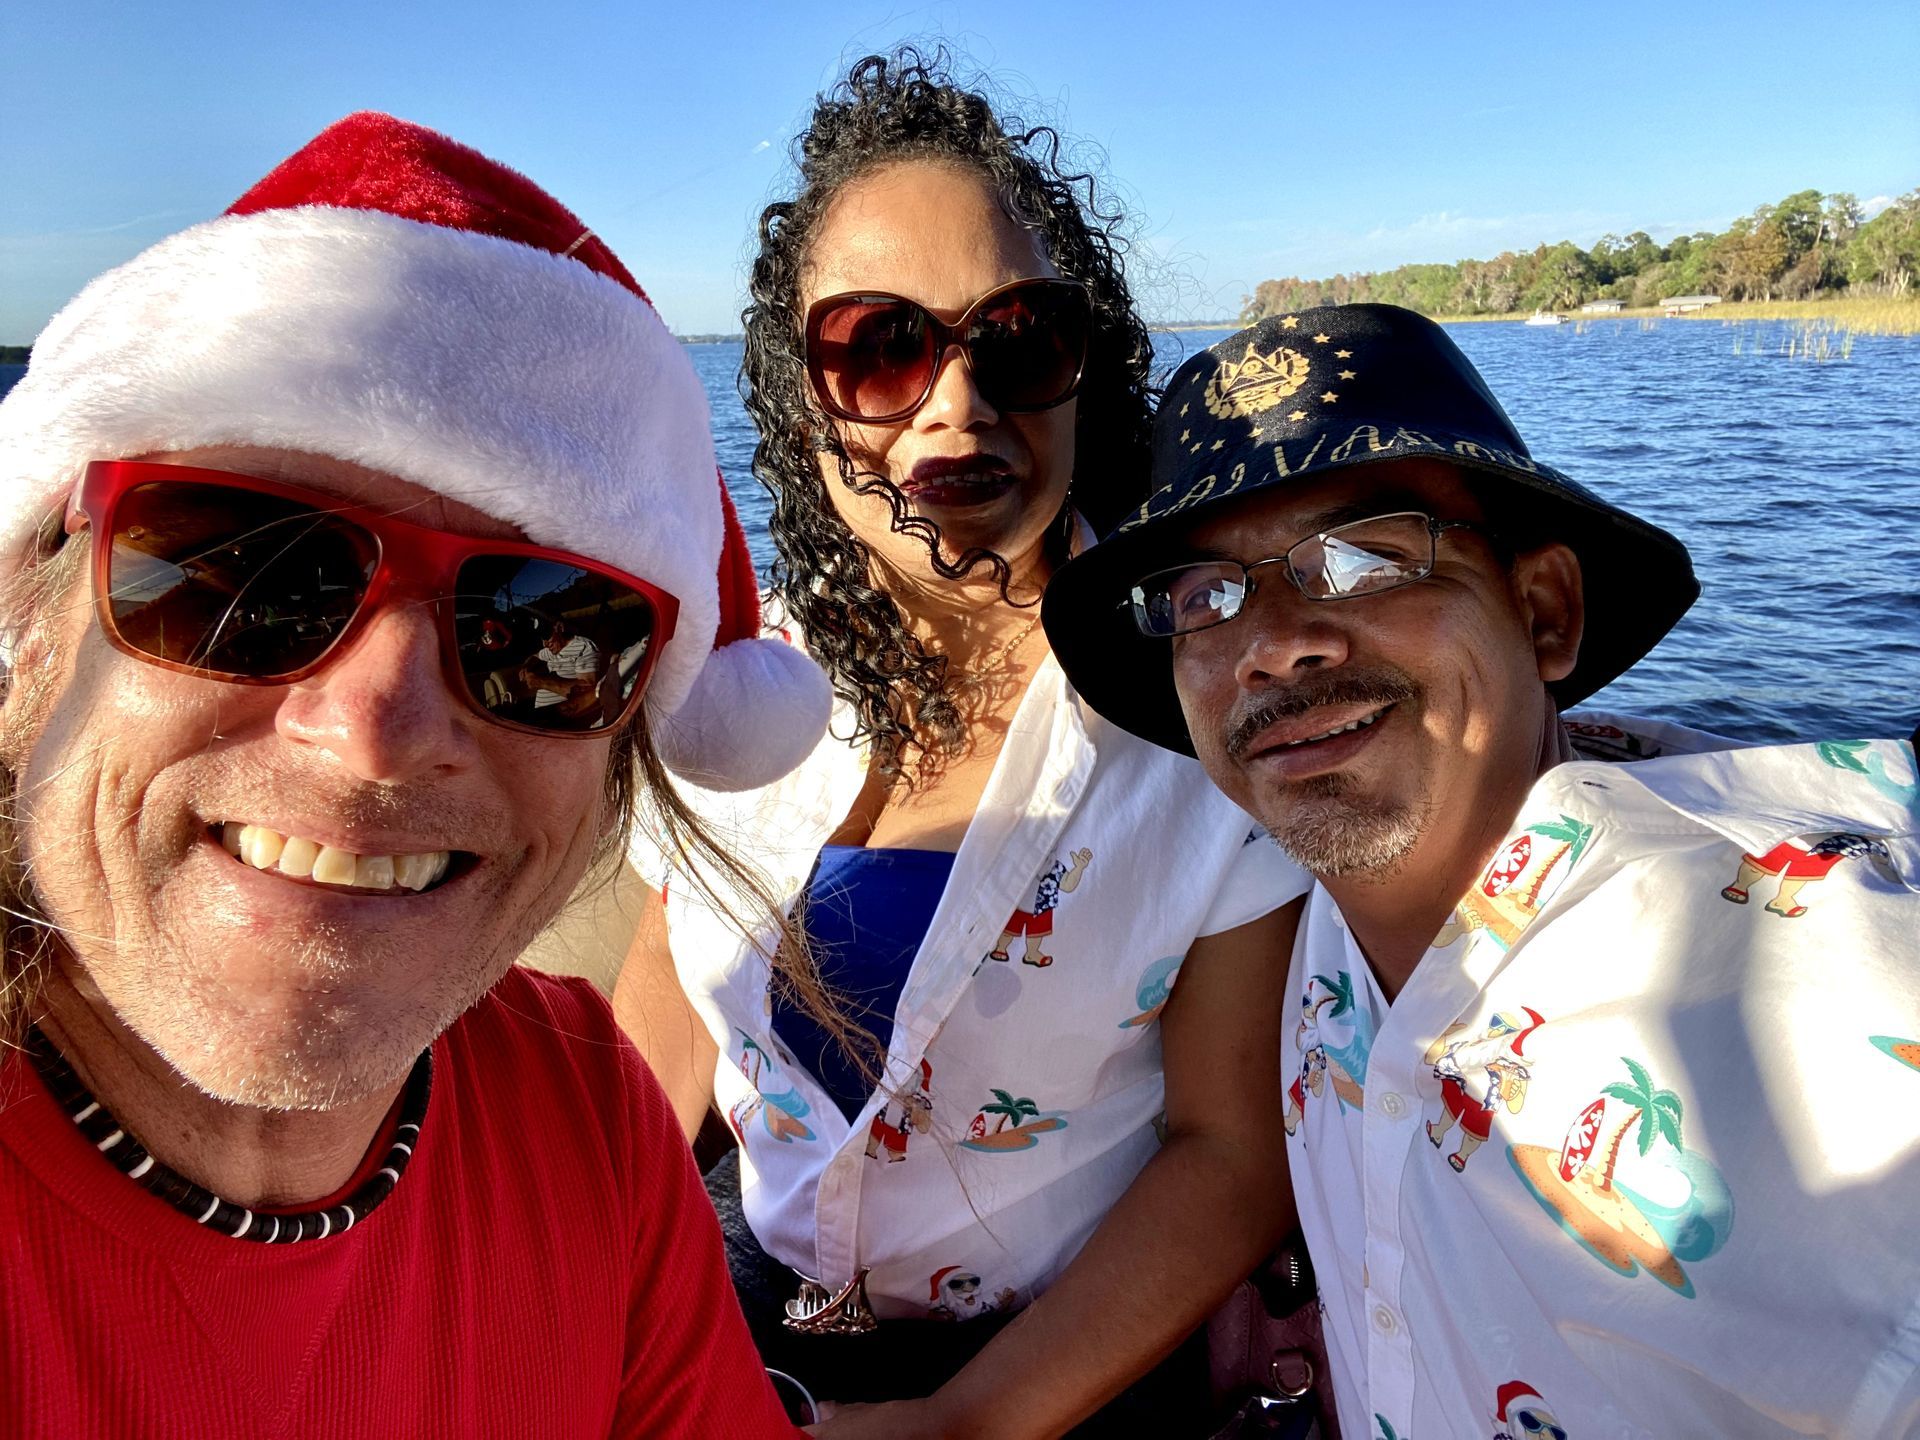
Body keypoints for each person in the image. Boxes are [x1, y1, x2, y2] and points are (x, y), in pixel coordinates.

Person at [0, 112, 832, 1438]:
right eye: (235, 571)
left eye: (546, 630)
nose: (377, 731)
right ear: (33, 615)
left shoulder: (587, 1113)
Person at [1041, 303, 1920, 1438]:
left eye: (1367, 556)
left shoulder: (1837, 1007)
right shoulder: (1329, 915)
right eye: (1205, 595)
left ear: (1543, 613)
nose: (1274, 641)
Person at [613, 51, 1308, 1439]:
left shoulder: (1207, 709)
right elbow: (666, 990)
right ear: (802, 395)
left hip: (1062, 1377)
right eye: (878, 345)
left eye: (1018, 339)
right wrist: (597, 1281)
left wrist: (965, 1425)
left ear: (1080, 381)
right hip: (735, 1314)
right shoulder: (734, 680)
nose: (957, 400)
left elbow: (1230, 1153)